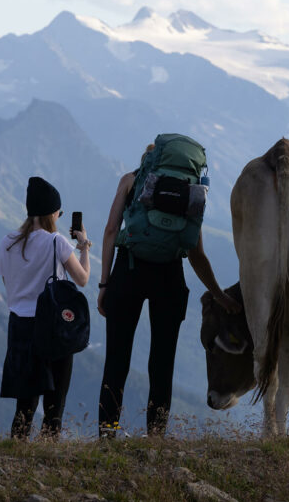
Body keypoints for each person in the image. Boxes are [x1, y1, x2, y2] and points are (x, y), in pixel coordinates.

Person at [98, 144, 239, 437]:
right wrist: (219, 295)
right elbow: (197, 254)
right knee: (162, 363)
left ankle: (108, 432)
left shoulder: (129, 181)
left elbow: (111, 231)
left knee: (116, 359)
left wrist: (104, 284)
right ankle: (156, 436)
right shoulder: (188, 191)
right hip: (169, 274)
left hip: (129, 270)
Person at [0, 176, 91, 440]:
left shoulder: (6, 242)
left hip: (19, 328)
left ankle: (15, 455)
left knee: (24, 406)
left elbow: (7, 281)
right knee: (54, 406)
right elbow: (82, 279)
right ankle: (47, 459)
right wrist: (83, 245)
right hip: (51, 328)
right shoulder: (57, 242)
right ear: (53, 213)